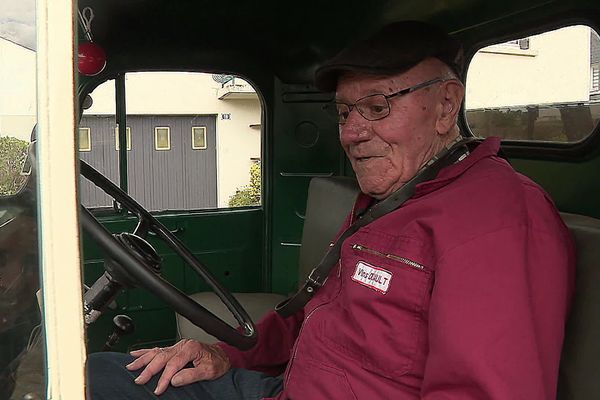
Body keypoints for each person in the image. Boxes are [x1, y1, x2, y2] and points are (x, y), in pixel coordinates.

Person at [88, 21, 575, 399]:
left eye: (378, 107)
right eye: (345, 112)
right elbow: (307, 316)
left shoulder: (497, 221)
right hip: (281, 388)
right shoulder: (390, 200)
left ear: (447, 105)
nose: (351, 133)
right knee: (92, 377)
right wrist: (223, 356)